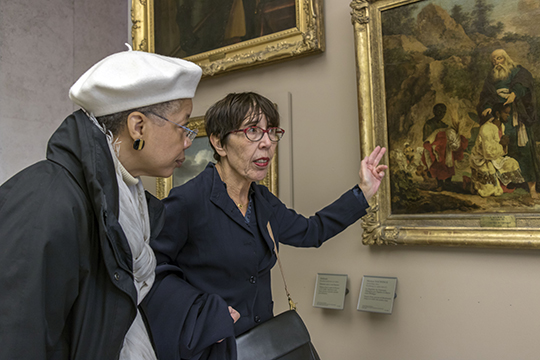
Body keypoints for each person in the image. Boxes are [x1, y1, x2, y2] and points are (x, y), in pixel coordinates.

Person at [0, 48, 233, 359]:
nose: (188, 141)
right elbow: (16, 337)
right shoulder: (48, 200)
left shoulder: (128, 205)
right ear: (138, 127)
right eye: (183, 127)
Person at [142, 92, 387, 358]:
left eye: (271, 132)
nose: (267, 143)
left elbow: (310, 231)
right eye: (252, 131)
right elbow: (150, 272)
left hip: (262, 346)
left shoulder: (262, 200)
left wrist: (362, 192)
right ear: (219, 143)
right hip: (210, 348)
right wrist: (203, 309)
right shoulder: (187, 202)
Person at [477, 48, 540, 198]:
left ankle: (532, 188)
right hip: (500, 119)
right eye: (494, 60)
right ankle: (508, 184)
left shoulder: (517, 71)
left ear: (506, 58)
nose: (497, 63)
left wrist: (514, 94)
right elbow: (486, 94)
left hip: (517, 117)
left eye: (499, 59)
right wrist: (486, 107)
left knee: (523, 150)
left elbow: (524, 83)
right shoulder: (491, 77)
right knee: (503, 150)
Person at [469, 103, 524, 197]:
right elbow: (488, 153)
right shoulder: (486, 128)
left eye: (508, 113)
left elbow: (501, 152)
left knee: (512, 163)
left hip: (494, 158)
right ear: (498, 114)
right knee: (489, 191)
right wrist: (501, 144)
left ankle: (501, 184)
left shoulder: (501, 126)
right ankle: (472, 183)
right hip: (482, 159)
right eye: (506, 113)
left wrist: (504, 146)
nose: (508, 115)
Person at [421, 103, 468, 191]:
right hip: (434, 148)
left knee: (449, 158)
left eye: (443, 112)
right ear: (434, 111)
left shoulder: (444, 125)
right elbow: (426, 140)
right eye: (439, 111)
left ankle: (448, 182)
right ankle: (439, 184)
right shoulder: (429, 124)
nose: (441, 114)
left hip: (444, 149)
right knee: (438, 163)